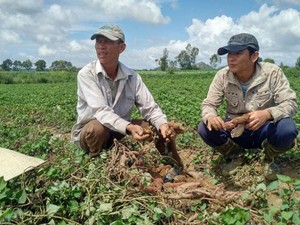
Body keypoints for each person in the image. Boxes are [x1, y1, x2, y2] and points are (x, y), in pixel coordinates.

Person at [71, 24, 183, 167]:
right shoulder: (87, 74)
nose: (101, 46)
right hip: (91, 133)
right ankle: (96, 165)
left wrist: (162, 125)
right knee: (97, 128)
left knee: (158, 127)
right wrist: (129, 127)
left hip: (120, 130)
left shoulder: (132, 77)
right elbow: (101, 112)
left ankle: (174, 165)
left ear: (121, 48)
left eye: (107, 41)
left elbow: (150, 108)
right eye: (99, 41)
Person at [197, 33, 298, 180]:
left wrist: (267, 114)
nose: (231, 58)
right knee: (205, 127)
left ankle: (269, 159)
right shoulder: (222, 76)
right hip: (235, 131)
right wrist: (211, 116)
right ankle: (236, 156)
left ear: (254, 56)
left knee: (287, 128)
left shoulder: (272, 73)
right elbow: (209, 104)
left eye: (238, 53)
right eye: (229, 54)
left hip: (264, 129)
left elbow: (290, 103)